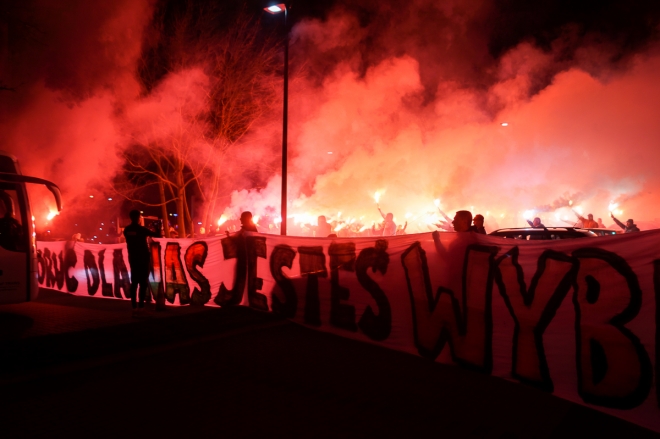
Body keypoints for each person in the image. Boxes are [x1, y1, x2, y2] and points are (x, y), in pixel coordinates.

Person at [123, 210, 162, 316]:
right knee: (143, 283)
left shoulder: (127, 230)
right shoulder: (142, 230)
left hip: (133, 259)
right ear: (138, 217)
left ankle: (133, 307)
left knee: (134, 283)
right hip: (143, 258)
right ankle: (141, 306)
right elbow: (157, 235)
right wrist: (158, 227)